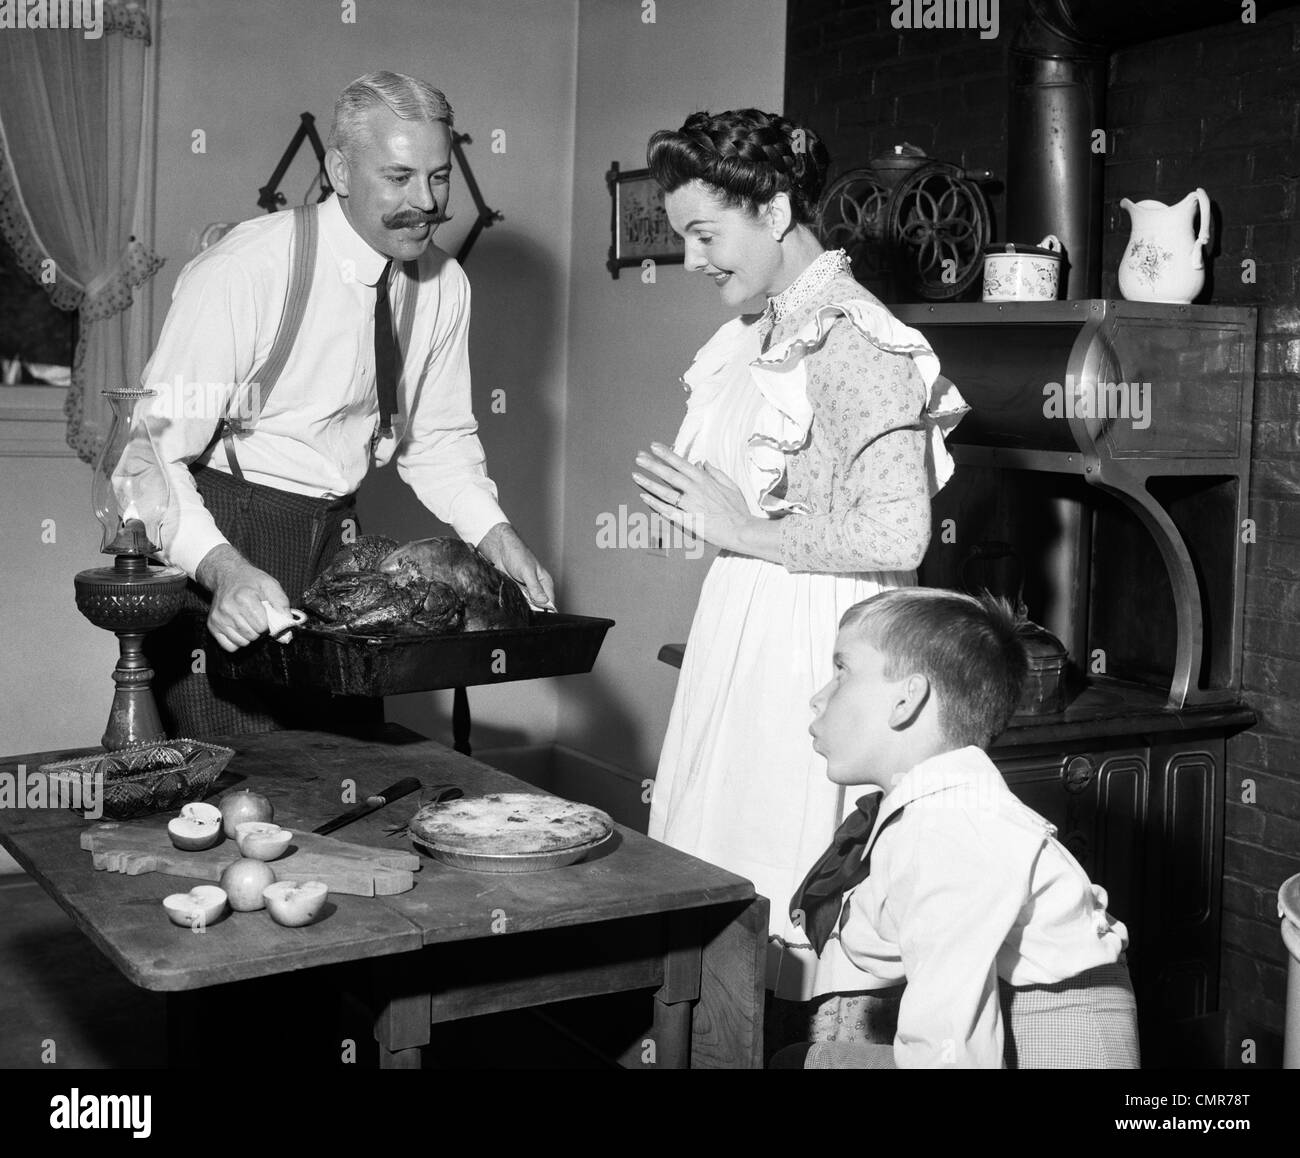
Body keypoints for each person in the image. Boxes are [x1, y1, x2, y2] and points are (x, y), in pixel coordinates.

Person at [633, 109, 968, 1019]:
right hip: (746, 623)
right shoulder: (759, 331)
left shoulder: (857, 336)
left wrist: (742, 531)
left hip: (818, 643)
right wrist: (699, 515)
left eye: (707, 233)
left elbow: (899, 534)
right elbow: (768, 503)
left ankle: (790, 1040)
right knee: (720, 869)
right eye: (683, 236)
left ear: (775, 208)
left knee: (786, 883)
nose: (693, 258)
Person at [139, 71, 553, 737]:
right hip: (223, 532)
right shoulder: (248, 270)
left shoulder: (443, 283)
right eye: (398, 178)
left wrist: (495, 535)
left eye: (439, 176)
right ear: (339, 170)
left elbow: (438, 443)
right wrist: (223, 571)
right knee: (236, 785)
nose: (425, 202)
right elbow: (148, 456)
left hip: (346, 555)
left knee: (347, 779)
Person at [776, 587, 1139, 1068]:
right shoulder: (931, 808)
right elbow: (884, 941)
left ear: (906, 700)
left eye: (842, 671)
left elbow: (954, 1052)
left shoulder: (951, 831)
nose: (818, 698)